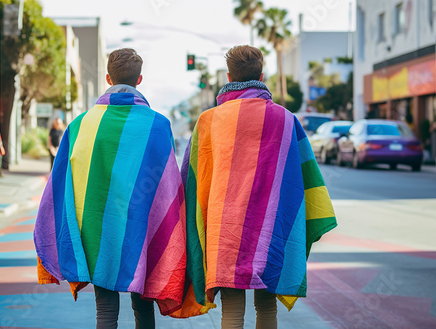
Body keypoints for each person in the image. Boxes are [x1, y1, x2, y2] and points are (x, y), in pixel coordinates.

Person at [180, 45, 337, 328]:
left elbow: (191, 183)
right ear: (262, 75)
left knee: (231, 312)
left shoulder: (208, 121)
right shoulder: (286, 120)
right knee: (267, 310)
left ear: (229, 75)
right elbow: (305, 180)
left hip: (223, 232)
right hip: (271, 228)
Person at [34, 48, 187, 329]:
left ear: (107, 77)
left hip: (98, 234)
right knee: (144, 309)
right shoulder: (158, 125)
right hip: (142, 232)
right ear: (139, 80)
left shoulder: (80, 126)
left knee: (105, 312)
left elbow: (61, 184)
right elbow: (168, 189)